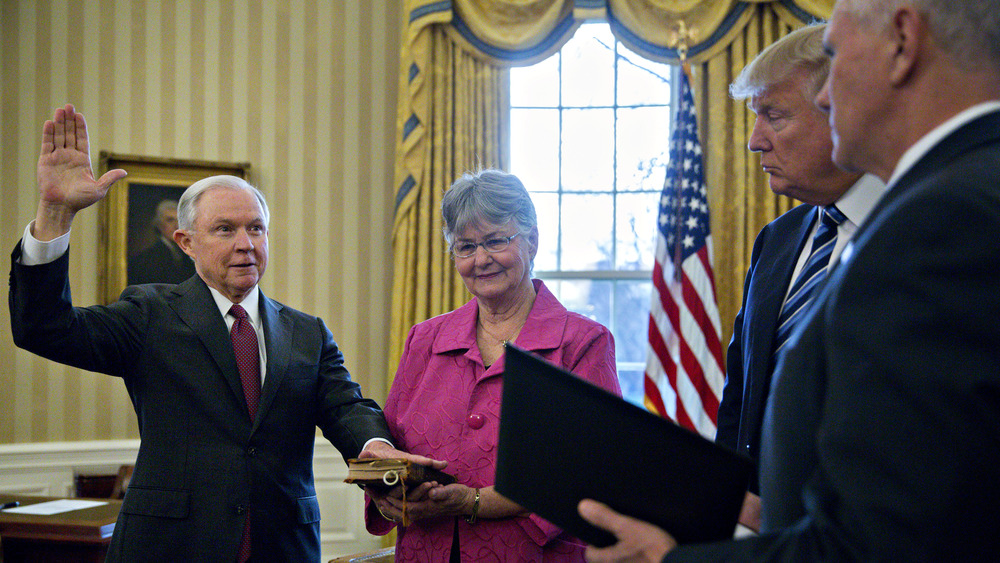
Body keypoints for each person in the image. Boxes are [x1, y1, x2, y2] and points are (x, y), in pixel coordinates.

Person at [578, 0, 1000, 560]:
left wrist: (670, 560)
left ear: (901, 39)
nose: (827, 97)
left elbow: (882, 543)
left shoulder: (939, 222)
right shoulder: (947, 196)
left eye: (836, 54)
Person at [9, 104, 438, 562]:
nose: (245, 244)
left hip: (283, 546)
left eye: (256, 228)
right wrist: (55, 214)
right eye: (225, 229)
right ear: (187, 242)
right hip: (171, 548)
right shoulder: (149, 313)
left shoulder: (307, 333)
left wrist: (376, 449)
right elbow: (45, 328)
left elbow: (346, 407)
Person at [363, 170, 622, 561]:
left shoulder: (582, 343)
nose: (481, 260)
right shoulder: (425, 339)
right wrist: (390, 497)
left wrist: (472, 501)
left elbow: (590, 470)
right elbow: (393, 450)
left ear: (532, 241)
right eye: (465, 247)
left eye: (496, 241)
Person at [715, 22, 884, 530]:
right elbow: (741, 392)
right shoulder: (778, 238)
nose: (753, 141)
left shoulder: (911, 232)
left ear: (840, 109)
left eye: (774, 116)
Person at [128, 198, 196, 285]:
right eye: (170, 220)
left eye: (179, 220)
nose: (176, 225)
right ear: (159, 224)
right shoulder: (146, 258)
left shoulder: (188, 255)